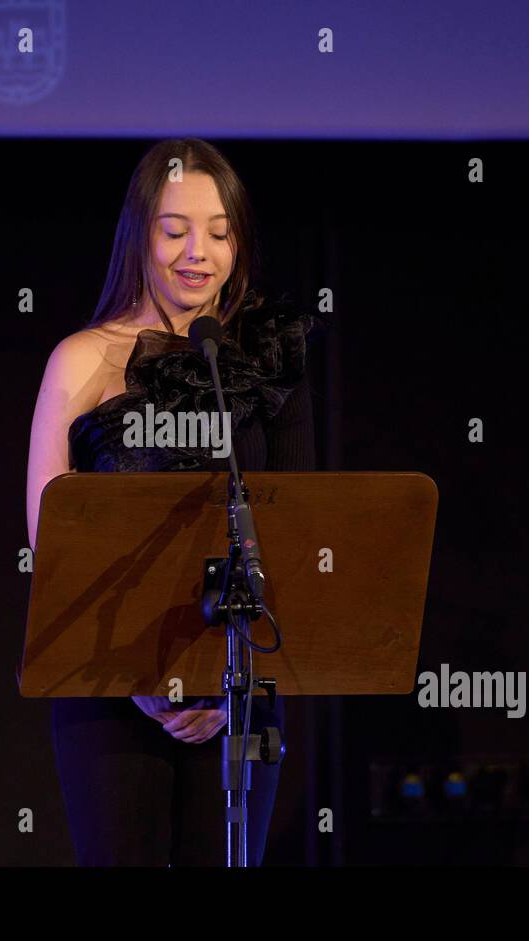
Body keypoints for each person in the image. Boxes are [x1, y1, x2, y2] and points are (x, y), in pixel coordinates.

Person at [25, 137, 315, 866]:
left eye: (219, 232)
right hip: (111, 687)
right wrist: (142, 680)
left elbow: (298, 527)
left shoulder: (265, 362)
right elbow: (51, 541)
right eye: (175, 229)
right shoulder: (83, 358)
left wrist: (220, 682)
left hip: (241, 685)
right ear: (139, 235)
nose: (199, 252)